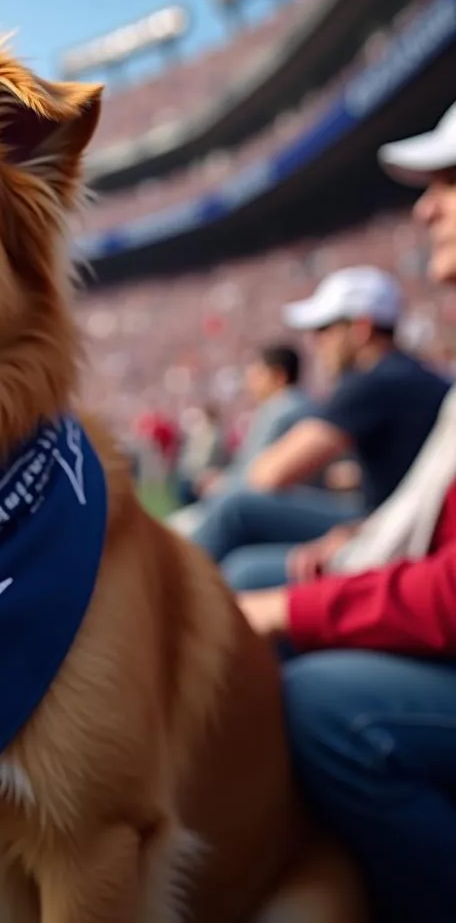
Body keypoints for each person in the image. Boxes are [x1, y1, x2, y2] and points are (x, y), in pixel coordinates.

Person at [235, 100, 456, 922]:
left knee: (327, 704)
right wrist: (356, 543)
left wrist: (293, 606)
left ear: (359, 327)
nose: (427, 207)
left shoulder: (381, 379)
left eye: (450, 183)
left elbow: (264, 477)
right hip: (404, 568)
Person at [192, 264, 449, 564]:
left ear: (361, 328)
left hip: (396, 539)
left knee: (236, 521)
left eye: (324, 329)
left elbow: (269, 474)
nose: (316, 343)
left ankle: (161, 599)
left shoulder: (372, 381)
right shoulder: (413, 373)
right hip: (398, 524)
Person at [168, 345, 313, 535]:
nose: (251, 382)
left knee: (181, 527)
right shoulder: (287, 407)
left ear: (278, 376)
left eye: (258, 375)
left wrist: (223, 483)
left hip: (269, 501)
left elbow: (258, 475)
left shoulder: (283, 410)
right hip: (264, 496)